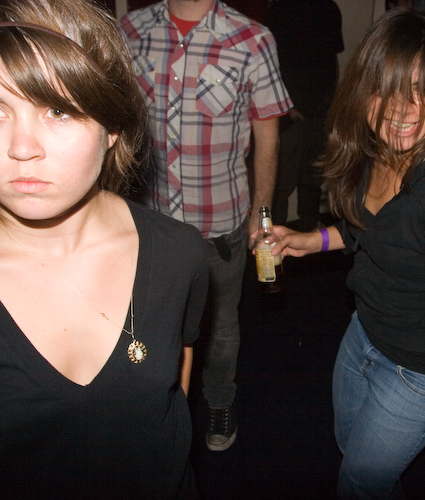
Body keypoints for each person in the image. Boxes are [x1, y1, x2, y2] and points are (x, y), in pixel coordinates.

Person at [0, 0, 209, 497]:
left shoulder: (179, 253)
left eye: (58, 109)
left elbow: (173, 388)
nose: (22, 147)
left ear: (112, 127)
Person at [257, 10, 425, 498]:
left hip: (421, 371)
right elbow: (368, 229)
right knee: (352, 455)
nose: (402, 108)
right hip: (364, 335)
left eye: (421, 89)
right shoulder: (378, 150)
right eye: (386, 88)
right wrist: (309, 241)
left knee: (358, 481)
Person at [121, 0, 292, 452]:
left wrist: (261, 215)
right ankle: (155, 407)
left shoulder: (251, 39)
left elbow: (268, 139)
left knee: (220, 327)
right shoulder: (131, 30)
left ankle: (220, 400)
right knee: (148, 322)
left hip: (220, 221)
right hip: (152, 220)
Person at [266, 0, 344, 231]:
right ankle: (274, 237)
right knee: (281, 182)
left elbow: (332, 58)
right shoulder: (280, 9)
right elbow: (269, 62)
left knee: (313, 178)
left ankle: (310, 232)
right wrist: (285, 106)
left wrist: (333, 102)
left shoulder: (329, 8)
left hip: (321, 111)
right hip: (289, 114)